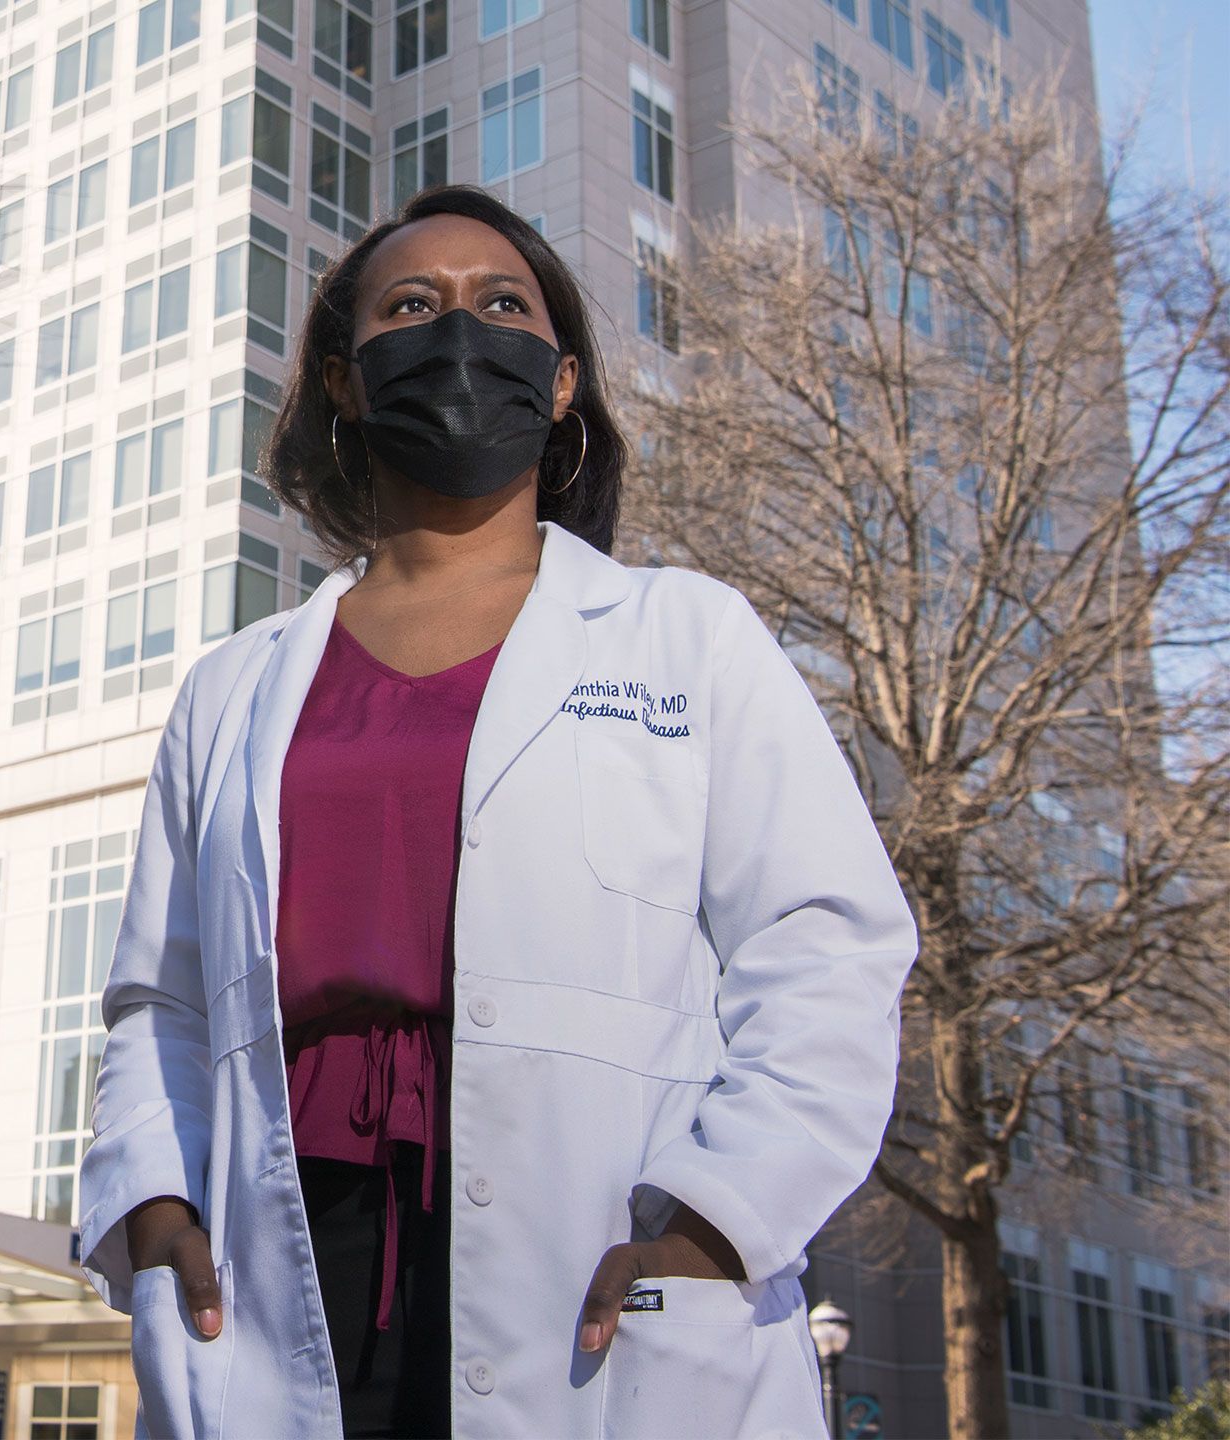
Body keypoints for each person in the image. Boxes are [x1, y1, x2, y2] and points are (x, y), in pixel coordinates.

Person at [72, 184, 919, 1439]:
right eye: (411, 307)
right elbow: (162, 1000)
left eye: (500, 304)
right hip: (285, 1249)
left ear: (562, 382)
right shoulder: (231, 688)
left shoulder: (687, 637)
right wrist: (150, 1205)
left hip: (595, 1248)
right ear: (347, 382)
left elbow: (827, 948)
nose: (457, 330)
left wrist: (713, 1224)